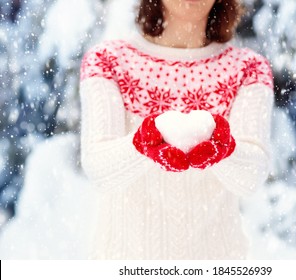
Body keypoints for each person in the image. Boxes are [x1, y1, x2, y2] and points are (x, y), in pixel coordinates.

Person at [79, 0, 274, 259]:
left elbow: (250, 178)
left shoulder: (248, 69)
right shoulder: (108, 61)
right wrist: (141, 145)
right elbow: (100, 169)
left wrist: (224, 150)